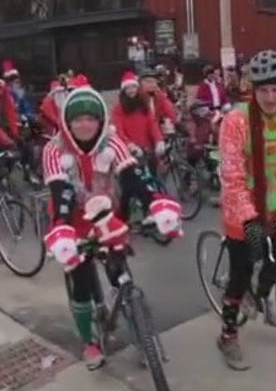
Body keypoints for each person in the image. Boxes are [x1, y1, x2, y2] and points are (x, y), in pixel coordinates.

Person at [41, 85, 182, 368]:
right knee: (80, 283)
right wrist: (62, 227)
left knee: (119, 273)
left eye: (91, 118)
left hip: (108, 215)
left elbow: (132, 177)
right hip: (72, 221)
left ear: (100, 120)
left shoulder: (112, 142)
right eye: (77, 119)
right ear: (67, 122)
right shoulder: (53, 150)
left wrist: (156, 201)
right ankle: (89, 343)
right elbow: (60, 192)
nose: (84, 124)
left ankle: (141, 333)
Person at [214, 49, 276, 369]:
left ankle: (259, 296)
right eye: (263, 90)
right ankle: (228, 335)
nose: (271, 97)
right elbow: (231, 176)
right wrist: (248, 218)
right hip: (242, 209)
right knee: (241, 272)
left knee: (275, 263)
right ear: (253, 89)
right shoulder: (236, 121)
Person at [111, 72, 166, 173]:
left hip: (148, 148)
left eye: (133, 87)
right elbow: (119, 131)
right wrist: (130, 146)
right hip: (131, 152)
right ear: (124, 90)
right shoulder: (118, 109)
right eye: (128, 88)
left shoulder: (143, 104)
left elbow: (152, 124)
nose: (131, 90)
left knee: (153, 177)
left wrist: (159, 140)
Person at [139, 66, 178, 137]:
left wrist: (176, 122)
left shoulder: (159, 95)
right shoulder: (137, 97)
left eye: (154, 82)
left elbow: (168, 109)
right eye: (148, 82)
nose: (152, 84)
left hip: (157, 126)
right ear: (140, 83)